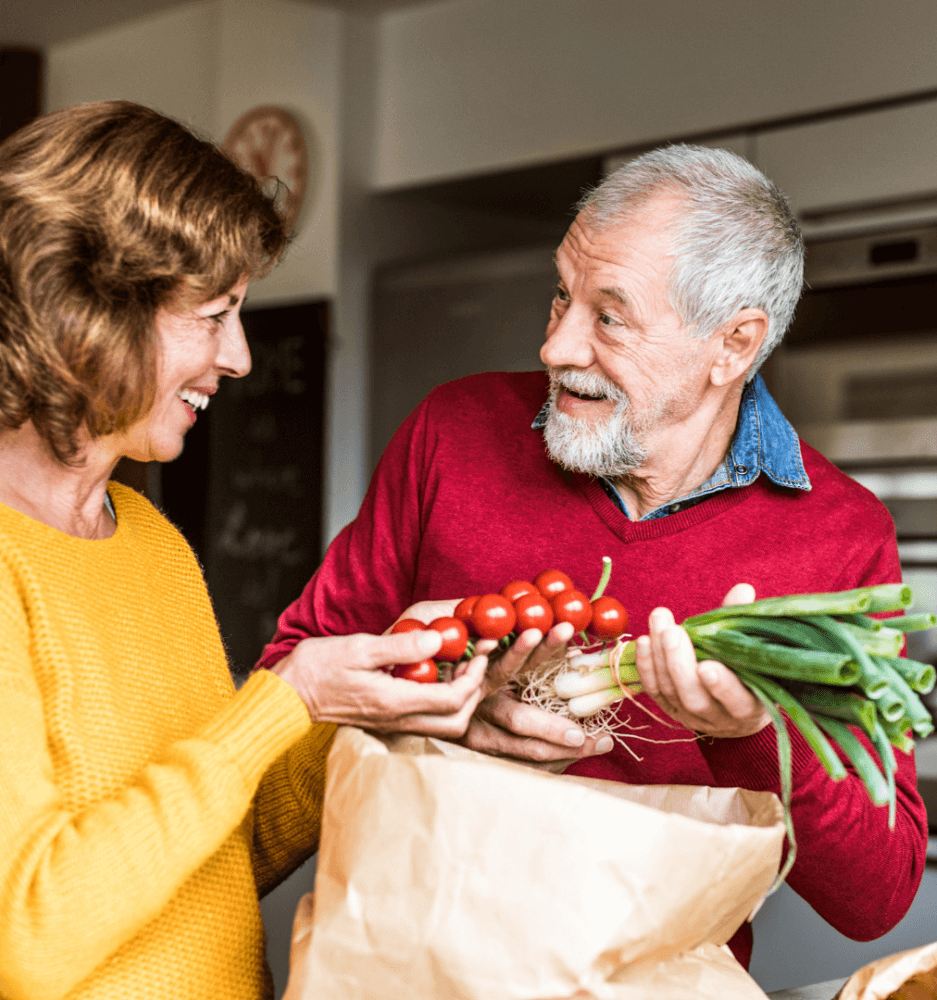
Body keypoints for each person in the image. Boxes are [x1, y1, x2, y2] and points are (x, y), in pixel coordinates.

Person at [258, 145, 928, 969]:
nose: (558, 347)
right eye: (561, 296)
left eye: (609, 317)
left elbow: (878, 893)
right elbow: (291, 686)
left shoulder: (837, 536)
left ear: (733, 345)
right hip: (408, 963)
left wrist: (752, 733)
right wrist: (438, 706)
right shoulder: (453, 433)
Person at [0, 101, 491, 1000]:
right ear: (86, 308)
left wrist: (371, 705)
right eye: (215, 314)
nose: (237, 356)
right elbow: (32, 932)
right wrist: (284, 699)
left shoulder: (147, 539)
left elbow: (222, 857)